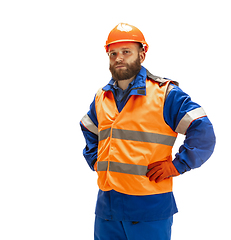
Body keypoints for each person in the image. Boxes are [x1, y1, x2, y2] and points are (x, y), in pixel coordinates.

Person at [80, 23, 216, 240]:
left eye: (126, 52)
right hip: (107, 209)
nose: (118, 58)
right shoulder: (101, 97)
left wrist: (178, 165)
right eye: (113, 53)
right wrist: (95, 160)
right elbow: (88, 128)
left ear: (142, 54)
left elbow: (202, 130)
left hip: (149, 209)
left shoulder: (165, 94)